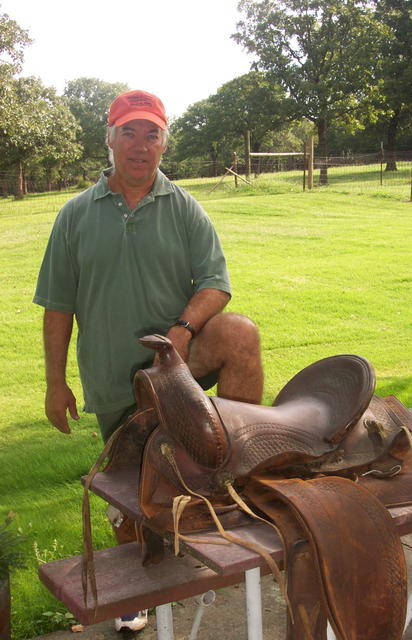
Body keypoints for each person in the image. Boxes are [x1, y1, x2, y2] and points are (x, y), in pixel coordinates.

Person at [33, 89, 263, 631]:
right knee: (130, 493)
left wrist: (182, 331)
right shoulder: (74, 216)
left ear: (164, 142)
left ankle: (234, 470)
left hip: (179, 365)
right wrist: (53, 383)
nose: (140, 145)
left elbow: (216, 284)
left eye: (151, 133)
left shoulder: (184, 207)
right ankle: (135, 589)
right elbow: (57, 307)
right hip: (115, 378)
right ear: (109, 139)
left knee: (239, 334)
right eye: (129, 132)